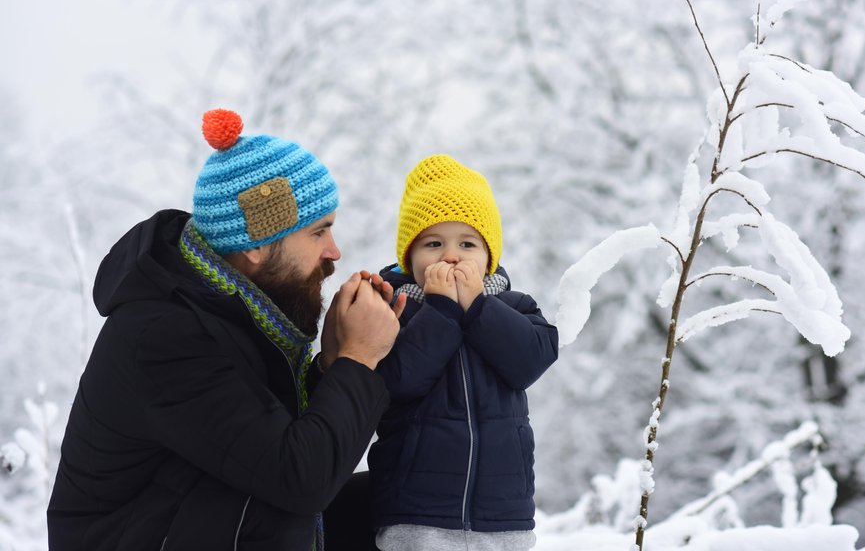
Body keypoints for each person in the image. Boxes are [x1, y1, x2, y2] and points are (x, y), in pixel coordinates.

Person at [47, 108, 404, 551]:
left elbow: (260, 442)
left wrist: (330, 367)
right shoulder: (164, 336)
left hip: (198, 520)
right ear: (256, 245)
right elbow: (298, 476)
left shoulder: (230, 310)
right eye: (319, 232)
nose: (334, 251)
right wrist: (358, 359)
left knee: (405, 500)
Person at [367, 155, 559, 550]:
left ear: (489, 256)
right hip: (417, 513)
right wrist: (442, 310)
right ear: (409, 256)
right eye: (433, 244)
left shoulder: (514, 306)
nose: (451, 256)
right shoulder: (397, 311)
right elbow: (400, 380)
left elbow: (530, 360)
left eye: (467, 243)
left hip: (503, 515)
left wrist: (478, 308)